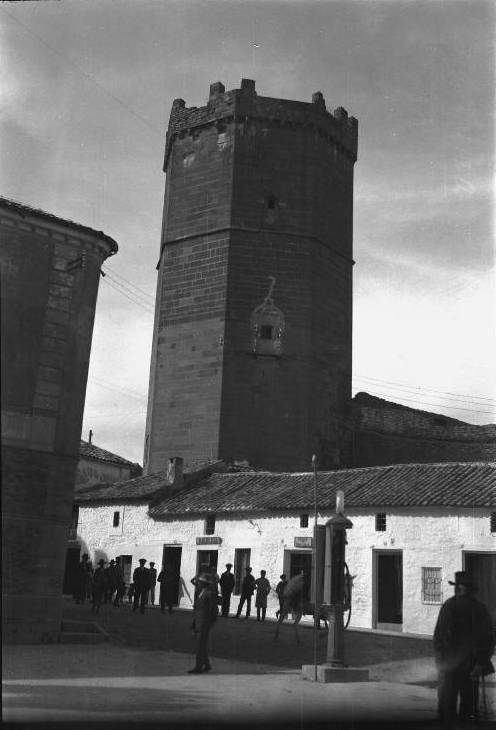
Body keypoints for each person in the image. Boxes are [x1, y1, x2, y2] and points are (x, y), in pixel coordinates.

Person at [433, 571, 495, 726]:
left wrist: (441, 661)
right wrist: (481, 662)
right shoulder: (480, 609)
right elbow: (489, 639)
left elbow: (440, 636)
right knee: (468, 708)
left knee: (447, 708)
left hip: (450, 665)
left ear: (459, 588)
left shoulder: (450, 605)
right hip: (471, 665)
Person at [187, 573, 218, 674]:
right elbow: (198, 610)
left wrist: (212, 621)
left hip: (204, 623)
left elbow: (213, 609)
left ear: (203, 584)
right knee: (201, 646)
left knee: (200, 646)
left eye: (199, 582)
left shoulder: (209, 594)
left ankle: (198, 667)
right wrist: (193, 625)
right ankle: (207, 664)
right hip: (199, 622)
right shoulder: (201, 593)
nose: (198, 584)